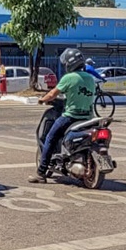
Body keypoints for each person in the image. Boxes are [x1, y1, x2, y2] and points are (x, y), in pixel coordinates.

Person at [31, 48, 96, 183]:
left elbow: (52, 94)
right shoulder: (90, 78)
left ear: (69, 63)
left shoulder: (68, 78)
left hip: (71, 117)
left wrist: (42, 99)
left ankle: (41, 173)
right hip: (89, 118)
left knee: (50, 137)